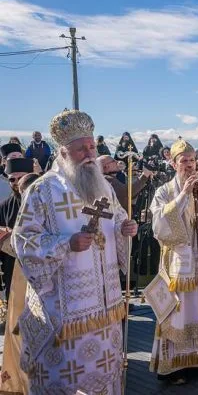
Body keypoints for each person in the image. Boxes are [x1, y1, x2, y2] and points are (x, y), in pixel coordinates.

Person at [11, 109, 138, 394]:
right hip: (64, 318)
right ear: (64, 152)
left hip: (106, 311)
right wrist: (65, 244)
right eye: (82, 148)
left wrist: (125, 228)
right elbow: (24, 241)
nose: (90, 154)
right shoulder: (43, 190)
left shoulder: (103, 185)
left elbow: (117, 220)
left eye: (92, 146)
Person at [149, 140, 198, 385]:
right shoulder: (164, 191)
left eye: (192, 160)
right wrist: (183, 196)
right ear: (174, 164)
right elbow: (159, 227)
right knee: (178, 313)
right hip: (177, 263)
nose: (189, 165)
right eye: (184, 160)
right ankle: (175, 366)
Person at [0, 171, 38, 394]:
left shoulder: (48, 207)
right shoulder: (6, 205)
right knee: (17, 328)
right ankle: (16, 380)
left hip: (41, 281)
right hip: (16, 274)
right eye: (12, 180)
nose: (15, 185)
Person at [0, 158, 34, 302]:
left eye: (21, 178)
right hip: (12, 269)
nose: (16, 182)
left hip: (38, 269)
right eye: (12, 179)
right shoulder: (4, 206)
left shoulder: (44, 202)